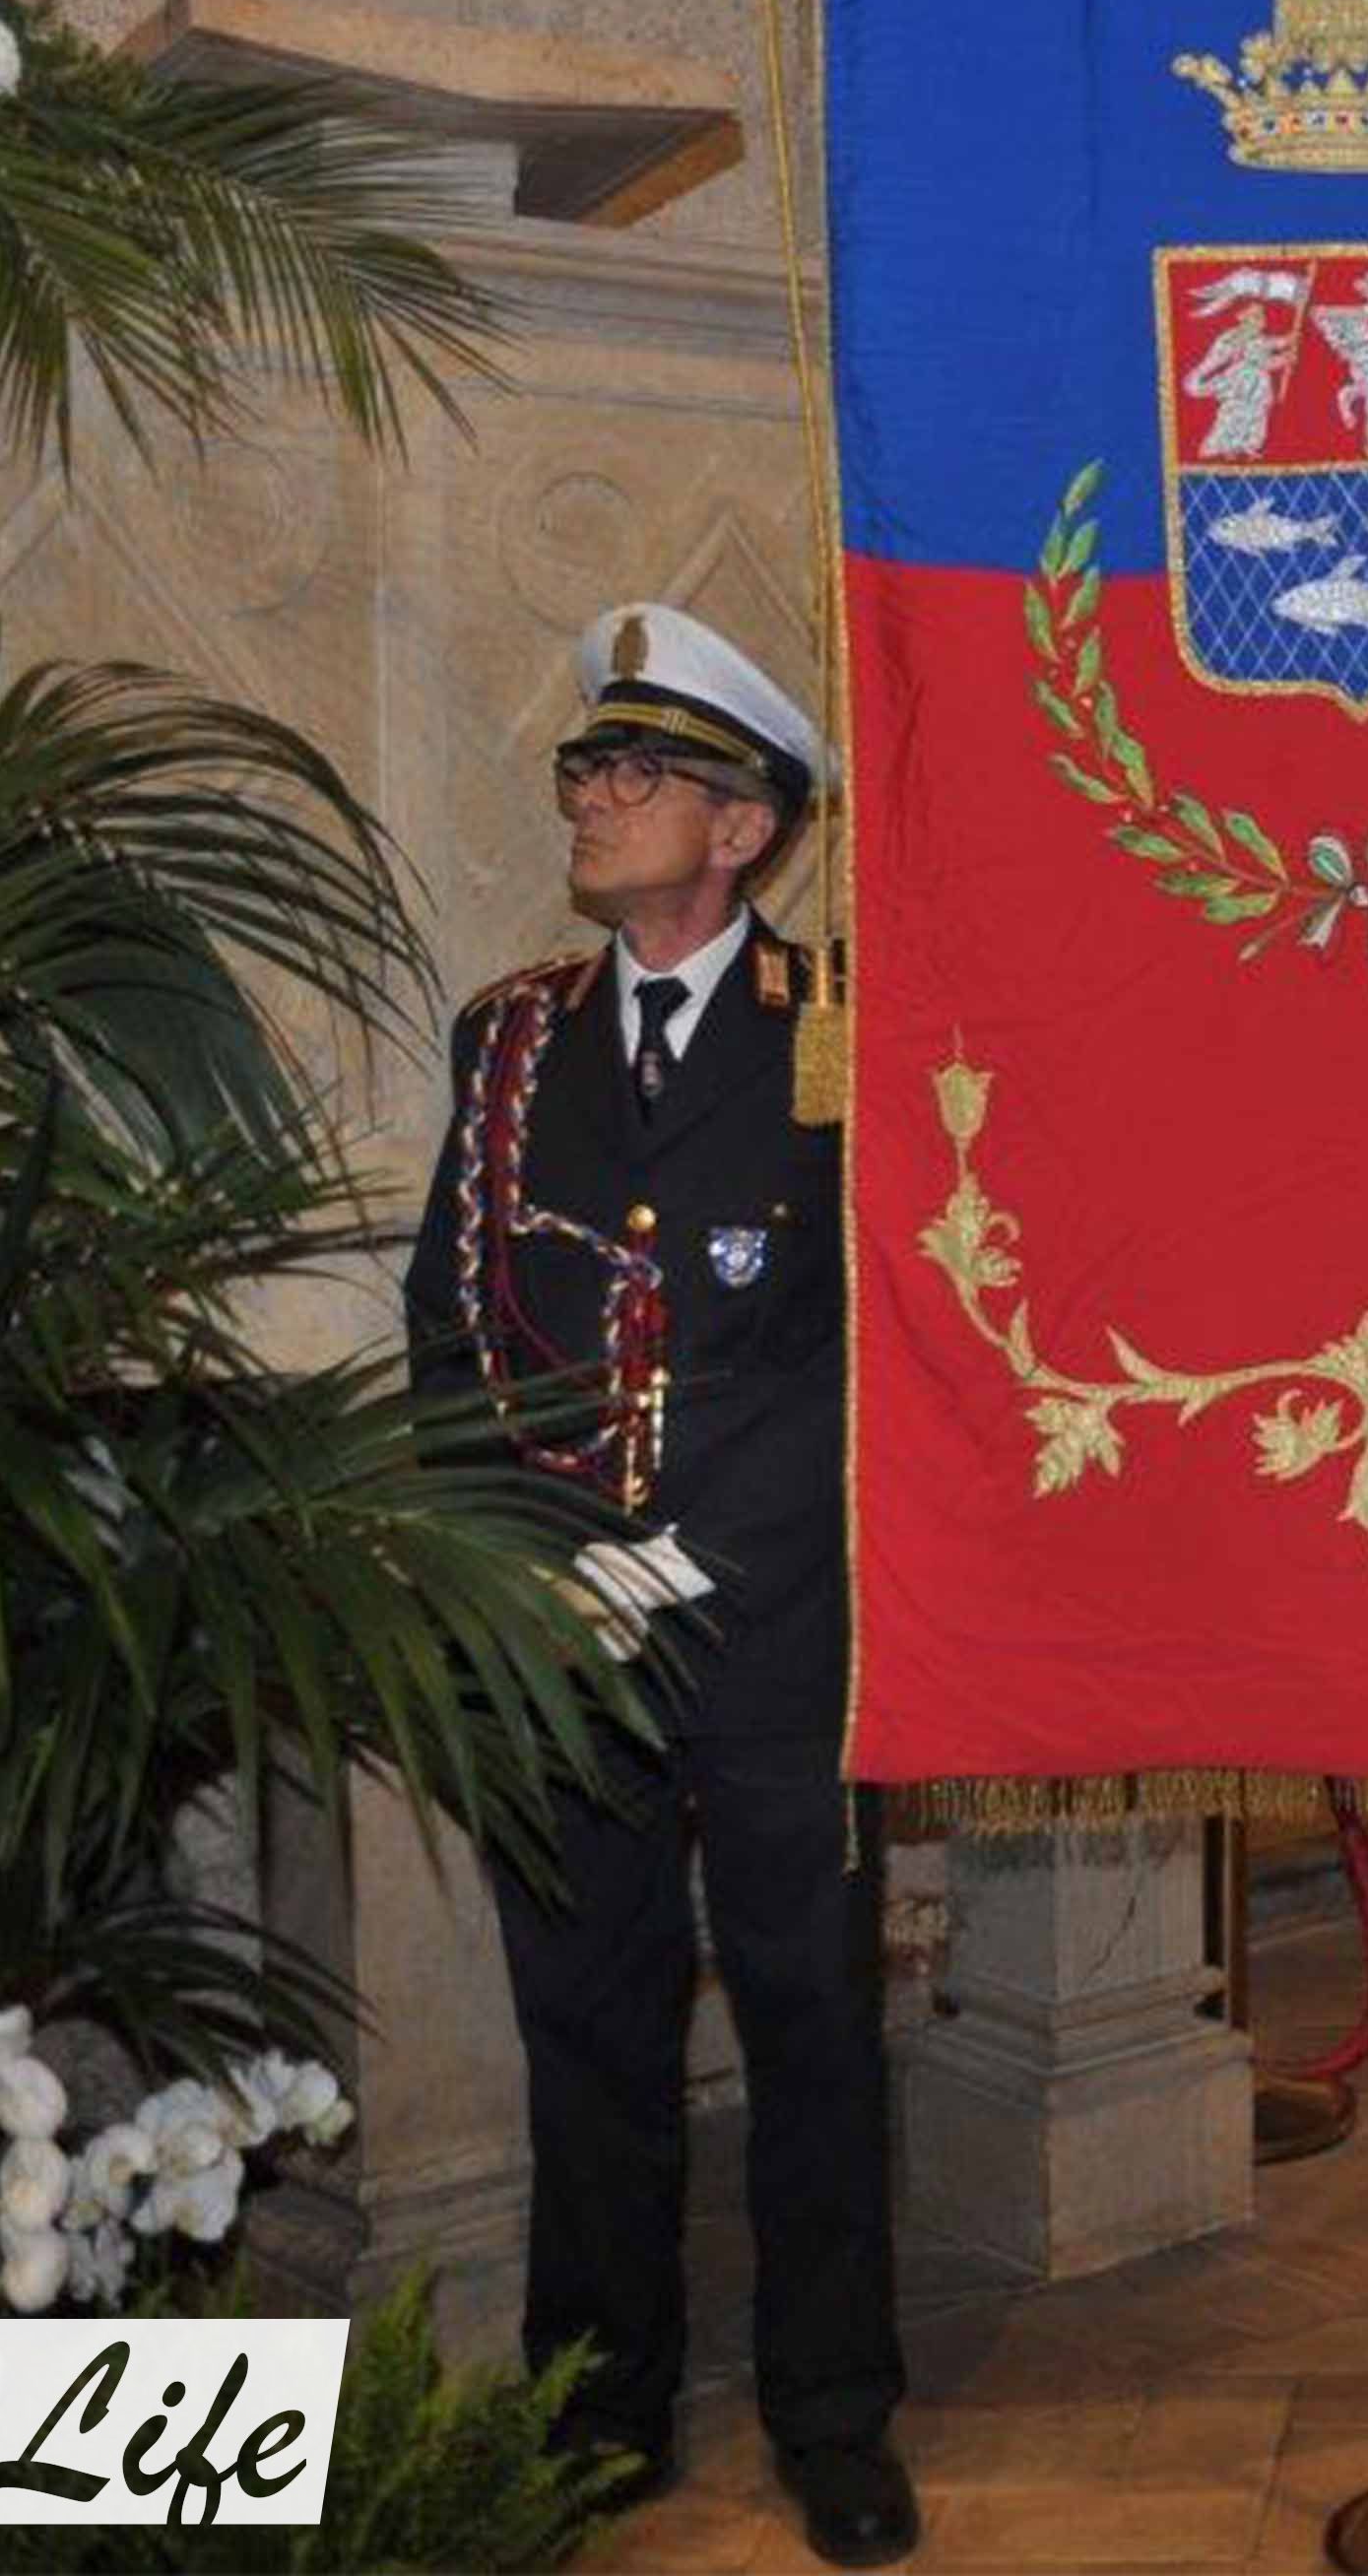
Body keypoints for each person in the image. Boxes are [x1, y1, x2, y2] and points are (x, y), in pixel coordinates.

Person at [401, 603, 916, 2571]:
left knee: (811, 2027)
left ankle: (834, 2414)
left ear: (744, 825)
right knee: (589, 2028)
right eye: (587, 766)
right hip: (561, 1643)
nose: (592, 797)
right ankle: (601, 2408)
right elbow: (450, 1324)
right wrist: (533, 1564)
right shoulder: (514, 1036)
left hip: (777, 1628)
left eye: (638, 773)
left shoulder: (845, 1025)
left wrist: (698, 1550)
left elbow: (882, 1353)